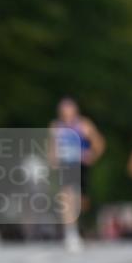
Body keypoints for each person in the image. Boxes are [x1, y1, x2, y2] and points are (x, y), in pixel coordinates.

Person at [48, 98, 105, 251]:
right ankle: (71, 233)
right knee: (66, 197)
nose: (66, 114)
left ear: (75, 111)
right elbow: (52, 146)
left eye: (68, 111)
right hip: (66, 165)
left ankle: (81, 227)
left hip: (80, 165)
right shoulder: (56, 126)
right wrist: (52, 160)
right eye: (63, 111)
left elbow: (99, 143)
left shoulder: (84, 125)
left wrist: (91, 155)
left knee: (81, 201)